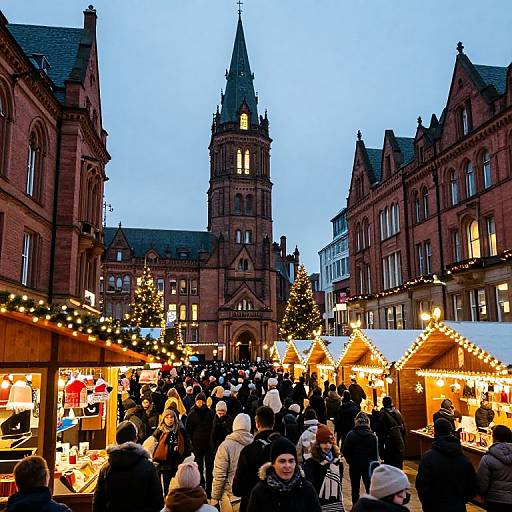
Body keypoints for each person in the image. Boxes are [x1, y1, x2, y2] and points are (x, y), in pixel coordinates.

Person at [93, 421, 163, 512]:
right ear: (136, 438)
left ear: (117, 440)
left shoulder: (106, 469)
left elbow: (98, 502)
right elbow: (157, 502)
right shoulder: (148, 467)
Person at [415, 418, 477, 512]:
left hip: (434, 506)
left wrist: (427, 504)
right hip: (457, 506)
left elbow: (421, 485)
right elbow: (472, 485)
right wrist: (461, 500)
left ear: (435, 432)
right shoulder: (463, 459)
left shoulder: (428, 457)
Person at [247, 437, 321, 512]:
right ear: (273, 464)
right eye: (282, 461)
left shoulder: (307, 489)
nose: (287, 466)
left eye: (291, 461)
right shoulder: (260, 491)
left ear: (296, 463)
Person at [232, 406, 280, 512]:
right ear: (273, 422)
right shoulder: (285, 447)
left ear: (257, 424)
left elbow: (237, 488)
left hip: (252, 504)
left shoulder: (248, 451)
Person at [212, 413, 254, 511]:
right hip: (249, 497)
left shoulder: (225, 446)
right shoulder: (255, 444)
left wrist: (215, 497)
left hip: (229, 497)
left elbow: (219, 474)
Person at [304, 424, 345, 511]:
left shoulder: (338, 463)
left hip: (335, 504)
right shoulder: (311, 462)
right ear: (318, 444)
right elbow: (311, 485)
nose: (327, 445)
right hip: (318, 504)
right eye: (324, 442)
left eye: (330, 442)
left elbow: (339, 484)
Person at [343, 411, 379, 505]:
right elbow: (375, 455)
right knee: (369, 487)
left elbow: (345, 450)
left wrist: (350, 461)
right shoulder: (372, 436)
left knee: (355, 488)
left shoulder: (351, 434)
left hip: (354, 466)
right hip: (368, 466)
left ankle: (355, 506)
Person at [150, 408, 190, 493]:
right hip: (164, 464)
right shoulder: (160, 431)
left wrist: (183, 456)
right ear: (163, 419)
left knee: (177, 485)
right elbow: (152, 444)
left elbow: (187, 444)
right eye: (167, 417)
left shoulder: (180, 430)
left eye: (171, 417)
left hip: (177, 462)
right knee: (166, 485)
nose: (169, 420)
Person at [477, 424, 512, 512]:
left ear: (494, 438)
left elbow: (482, 483)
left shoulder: (487, 458)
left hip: (495, 500)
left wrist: (482, 496)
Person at [186, 392, 215, 495]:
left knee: (209, 467)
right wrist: (190, 443)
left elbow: (213, 428)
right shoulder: (192, 413)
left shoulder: (210, 413)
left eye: (202, 401)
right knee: (198, 467)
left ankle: (209, 488)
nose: (200, 403)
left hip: (208, 445)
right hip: (197, 445)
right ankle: (201, 486)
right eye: (198, 401)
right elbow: (188, 430)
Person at [376, 396, 406, 469]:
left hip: (389, 445)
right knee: (399, 467)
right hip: (399, 444)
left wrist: (381, 452)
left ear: (383, 403)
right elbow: (404, 430)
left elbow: (380, 433)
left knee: (390, 467)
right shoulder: (397, 412)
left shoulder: (383, 414)